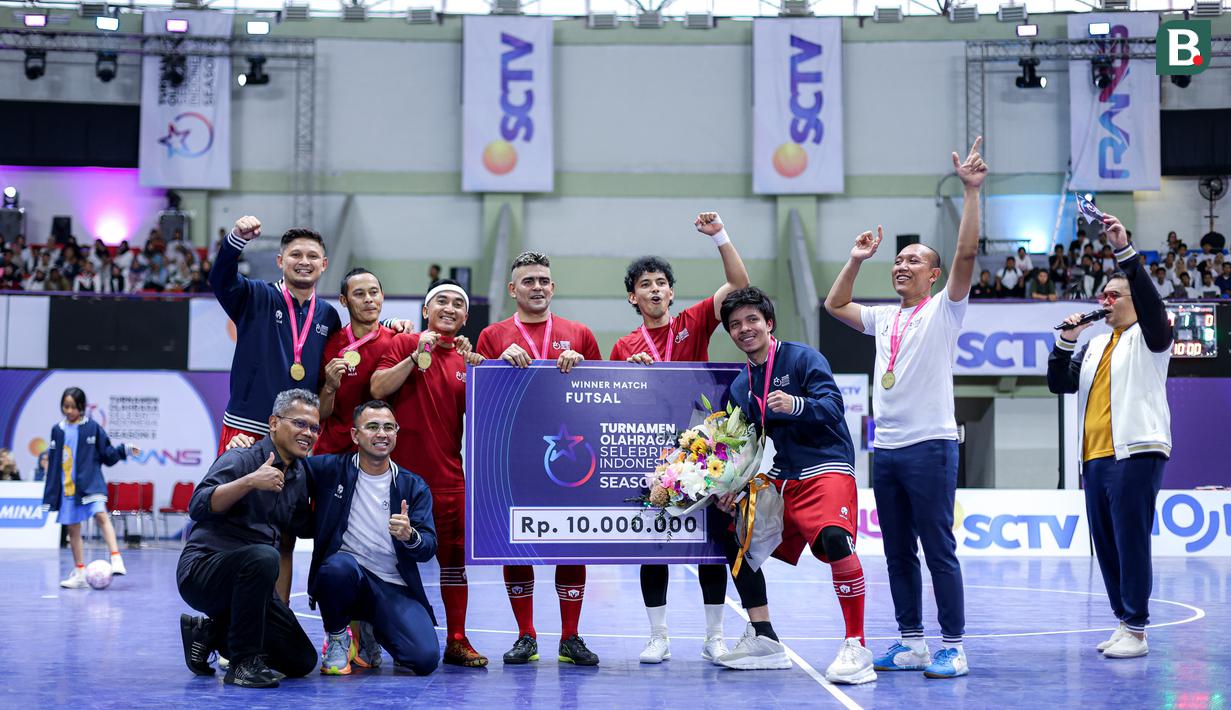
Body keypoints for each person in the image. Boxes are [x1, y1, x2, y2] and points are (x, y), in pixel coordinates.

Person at [824, 137, 987, 679]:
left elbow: (965, 254)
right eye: (897, 260)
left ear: (933, 276)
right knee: (896, 553)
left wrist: (971, 192)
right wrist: (856, 258)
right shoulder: (883, 319)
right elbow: (835, 304)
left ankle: (954, 645)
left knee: (938, 549)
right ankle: (912, 641)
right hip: (887, 449)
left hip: (931, 446)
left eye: (913, 260)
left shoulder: (945, 310)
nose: (901, 265)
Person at [609, 212, 750, 665]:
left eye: (660, 282)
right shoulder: (623, 347)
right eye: (644, 284)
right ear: (633, 296)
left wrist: (720, 237)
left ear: (671, 291)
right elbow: (614, 406)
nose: (654, 289)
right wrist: (627, 377)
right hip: (651, 455)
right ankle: (659, 636)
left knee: (710, 547)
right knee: (656, 545)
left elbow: (740, 285)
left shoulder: (693, 321)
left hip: (702, 452)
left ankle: (714, 636)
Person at [717, 287, 872, 684]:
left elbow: (833, 407)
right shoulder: (741, 386)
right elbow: (745, 445)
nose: (744, 329)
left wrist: (797, 405)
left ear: (768, 323)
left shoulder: (802, 358)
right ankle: (764, 639)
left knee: (836, 539)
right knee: (736, 536)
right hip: (783, 477)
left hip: (827, 466)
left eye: (751, 320)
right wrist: (733, 483)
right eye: (735, 325)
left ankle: (857, 644)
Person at [1048, 214, 1172, 659]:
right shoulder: (1096, 344)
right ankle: (1124, 621)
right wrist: (1066, 341)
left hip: (1136, 451)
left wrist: (1124, 252)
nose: (1106, 301)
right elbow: (1060, 384)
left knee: (1130, 538)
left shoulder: (1152, 336)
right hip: (1095, 458)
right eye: (1102, 294)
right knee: (1105, 543)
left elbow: (1152, 307)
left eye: (1114, 295)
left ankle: (1137, 629)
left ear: (1134, 300)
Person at [474, 252, 603, 667]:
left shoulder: (579, 332)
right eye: (528, 280)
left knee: (572, 543)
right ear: (513, 289)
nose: (537, 286)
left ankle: (570, 637)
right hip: (513, 458)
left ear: (553, 287)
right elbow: (480, 397)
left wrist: (582, 366)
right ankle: (525, 635)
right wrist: (496, 364)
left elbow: (605, 393)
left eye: (544, 280)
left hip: (570, 459)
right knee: (516, 545)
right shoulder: (492, 335)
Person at [371, 279, 487, 668]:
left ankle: (457, 639)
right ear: (426, 310)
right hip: (397, 482)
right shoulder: (403, 343)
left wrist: (479, 373)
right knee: (384, 562)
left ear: (466, 316)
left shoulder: (467, 361)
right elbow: (377, 386)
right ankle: (370, 639)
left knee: (454, 565)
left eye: (458, 303)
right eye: (441, 301)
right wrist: (413, 355)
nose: (449, 308)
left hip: (450, 480)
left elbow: (485, 421)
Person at [177, 389, 319, 687]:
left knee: (301, 660)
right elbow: (198, 506)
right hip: (202, 571)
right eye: (300, 424)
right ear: (273, 423)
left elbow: (304, 526)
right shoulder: (242, 457)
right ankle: (241, 665)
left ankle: (208, 632)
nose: (308, 433)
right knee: (264, 556)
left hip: (253, 583)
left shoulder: (299, 474)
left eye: (314, 427)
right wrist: (249, 481)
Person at [306, 401, 441, 676]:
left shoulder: (412, 485)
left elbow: (428, 546)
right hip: (348, 574)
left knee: (424, 659)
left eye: (389, 427)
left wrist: (409, 535)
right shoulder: (330, 470)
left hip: (393, 586)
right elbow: (290, 463)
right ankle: (338, 638)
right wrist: (248, 447)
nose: (382, 433)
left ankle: (371, 628)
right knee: (336, 569)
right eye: (373, 427)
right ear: (355, 435)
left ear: (396, 434)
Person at [209, 216, 342, 454]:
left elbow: (351, 346)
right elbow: (221, 279)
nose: (304, 261)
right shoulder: (256, 296)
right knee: (235, 491)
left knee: (292, 493)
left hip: (300, 434)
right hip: (247, 429)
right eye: (295, 255)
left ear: (324, 264)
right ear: (280, 261)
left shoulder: (328, 316)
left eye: (312, 256)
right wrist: (236, 240)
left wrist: (390, 324)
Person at [39, 387, 136, 588]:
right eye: (65, 406)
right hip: (68, 488)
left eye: (73, 407)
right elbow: (55, 458)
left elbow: (108, 455)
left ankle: (116, 558)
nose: (69, 411)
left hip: (91, 484)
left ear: (82, 407)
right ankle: (80, 573)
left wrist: (124, 450)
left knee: (101, 515)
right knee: (73, 530)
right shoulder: (57, 430)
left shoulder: (92, 427)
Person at [317, 268, 397, 457]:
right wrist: (329, 386)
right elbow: (319, 414)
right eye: (359, 294)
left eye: (373, 292)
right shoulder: (330, 345)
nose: (368, 299)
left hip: (380, 455)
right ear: (344, 301)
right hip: (335, 453)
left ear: (382, 296)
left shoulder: (398, 341)